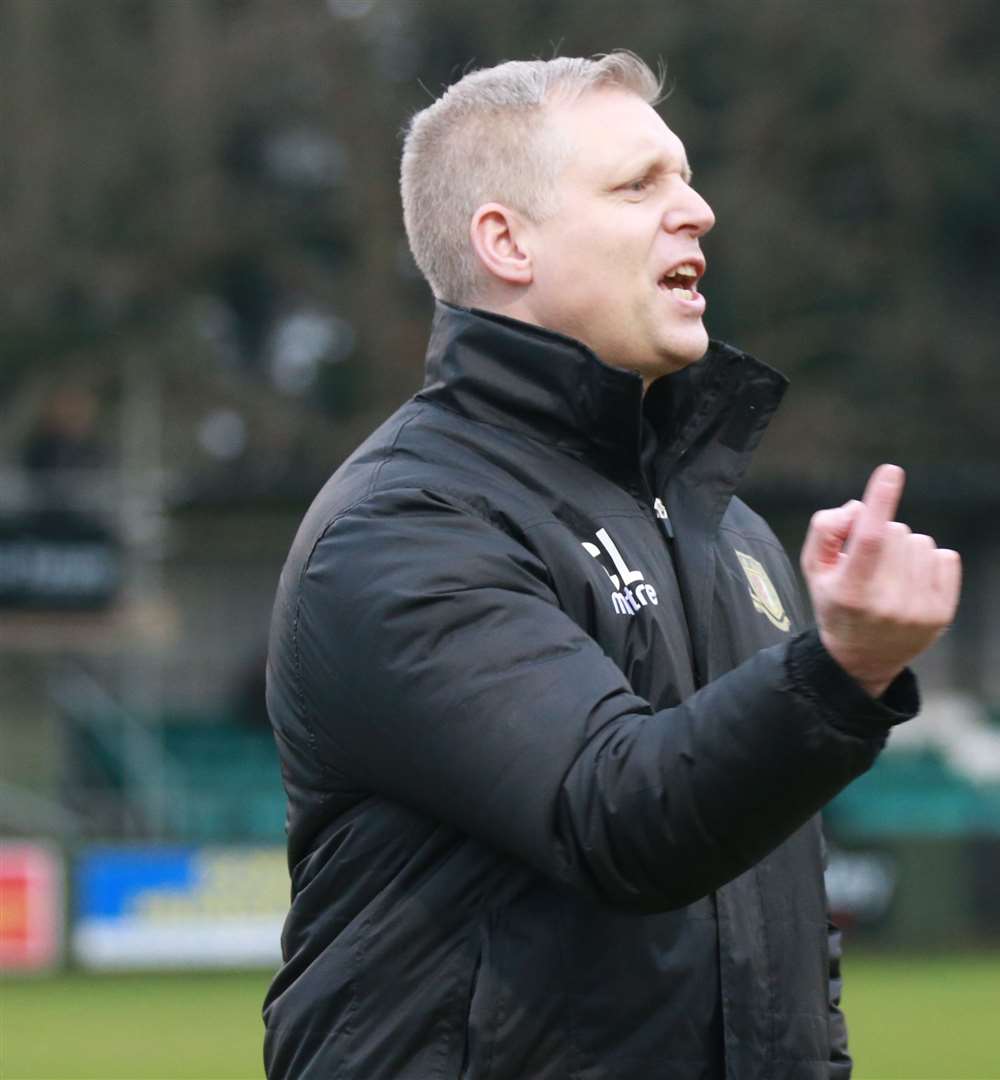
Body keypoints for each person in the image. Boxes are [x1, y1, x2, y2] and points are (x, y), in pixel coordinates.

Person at [262, 52, 960, 1080]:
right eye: (640, 186)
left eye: (685, 176)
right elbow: (621, 814)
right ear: (507, 241)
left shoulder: (727, 535)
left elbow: (785, 939)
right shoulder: (405, 524)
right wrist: (839, 670)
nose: (699, 211)